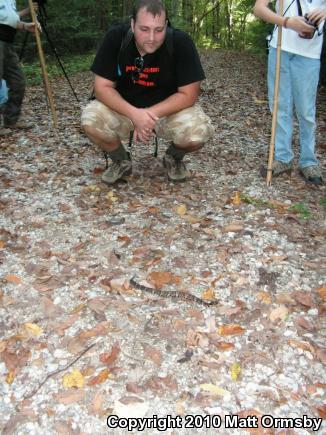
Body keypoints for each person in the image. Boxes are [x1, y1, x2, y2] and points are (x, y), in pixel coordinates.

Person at [81, 0, 214, 184]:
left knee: (198, 131)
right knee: (90, 120)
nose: (151, 37)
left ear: (166, 25)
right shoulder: (115, 37)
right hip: (124, 110)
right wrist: (135, 115)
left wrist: (148, 116)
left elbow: (189, 95)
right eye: (144, 29)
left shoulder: (180, 42)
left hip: (166, 114)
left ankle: (173, 157)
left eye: (159, 30)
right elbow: (102, 88)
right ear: (132, 24)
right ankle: (120, 160)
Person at [254, 0, 326, 185]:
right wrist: (287, 22)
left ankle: (308, 162)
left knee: (306, 111)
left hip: (310, 55)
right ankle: (283, 158)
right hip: (280, 49)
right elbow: (259, 8)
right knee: (279, 106)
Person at [0, 1, 37, 136]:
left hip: (8, 43)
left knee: (18, 81)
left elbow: (10, 18)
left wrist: (26, 25)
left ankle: (11, 120)